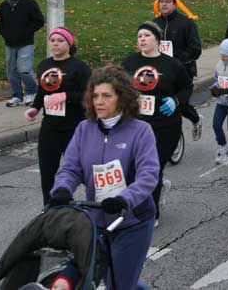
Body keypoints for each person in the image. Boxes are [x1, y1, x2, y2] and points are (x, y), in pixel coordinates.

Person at [49, 66, 159, 290]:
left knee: (118, 284)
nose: (99, 101)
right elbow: (70, 168)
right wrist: (62, 189)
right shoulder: (84, 129)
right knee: (106, 278)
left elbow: (148, 175)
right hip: (96, 220)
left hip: (132, 221)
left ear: (122, 98)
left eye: (107, 96)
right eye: (95, 95)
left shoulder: (141, 131)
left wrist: (125, 199)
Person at [121, 21, 191, 225]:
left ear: (157, 40)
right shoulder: (129, 64)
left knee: (154, 167)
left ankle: (152, 213)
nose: (142, 39)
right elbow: (118, 88)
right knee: (133, 169)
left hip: (165, 125)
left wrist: (175, 100)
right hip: (136, 125)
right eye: (139, 36)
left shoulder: (172, 65)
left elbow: (186, 88)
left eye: (146, 36)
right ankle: (149, 196)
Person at [24, 27, 92, 205]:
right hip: (50, 127)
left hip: (75, 127)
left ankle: (97, 204)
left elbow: (90, 95)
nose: (55, 43)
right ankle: (50, 206)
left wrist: (66, 96)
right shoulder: (44, 65)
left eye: (60, 40)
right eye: (52, 40)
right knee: (47, 170)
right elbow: (42, 91)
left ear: (69, 44)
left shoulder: (79, 67)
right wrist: (35, 108)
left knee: (82, 171)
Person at [152, 0, 203, 139]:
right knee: (163, 104)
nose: (164, 5)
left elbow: (195, 49)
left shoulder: (186, 23)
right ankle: (170, 136)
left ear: (175, 4)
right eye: (162, 2)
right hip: (161, 72)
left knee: (179, 103)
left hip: (183, 70)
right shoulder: (155, 24)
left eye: (168, 2)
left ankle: (195, 120)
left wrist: (178, 60)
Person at [0, 0, 45, 106]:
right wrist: (5, 34)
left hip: (25, 43)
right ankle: (17, 95)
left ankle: (31, 91)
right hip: (10, 44)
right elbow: (0, 22)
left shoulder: (29, 3)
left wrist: (26, 32)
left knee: (24, 69)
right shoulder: (5, 4)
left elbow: (39, 21)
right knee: (11, 71)